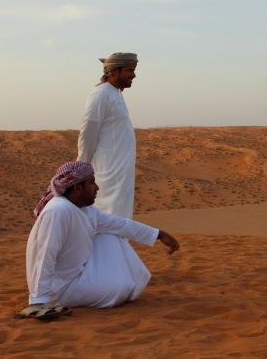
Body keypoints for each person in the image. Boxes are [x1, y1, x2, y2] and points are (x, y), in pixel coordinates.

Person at [25, 161, 180, 312]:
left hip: (78, 271)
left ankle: (121, 284)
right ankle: (119, 286)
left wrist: (158, 234)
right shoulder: (58, 211)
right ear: (78, 187)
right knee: (118, 291)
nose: (97, 187)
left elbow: (120, 224)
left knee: (111, 235)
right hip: (61, 288)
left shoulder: (85, 209)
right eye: (92, 183)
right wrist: (39, 299)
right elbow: (44, 255)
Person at [77, 52, 138, 219]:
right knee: (108, 217)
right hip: (108, 173)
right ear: (114, 71)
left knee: (120, 217)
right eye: (129, 70)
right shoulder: (101, 94)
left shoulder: (115, 93)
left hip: (120, 171)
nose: (133, 75)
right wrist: (81, 169)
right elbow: (88, 132)